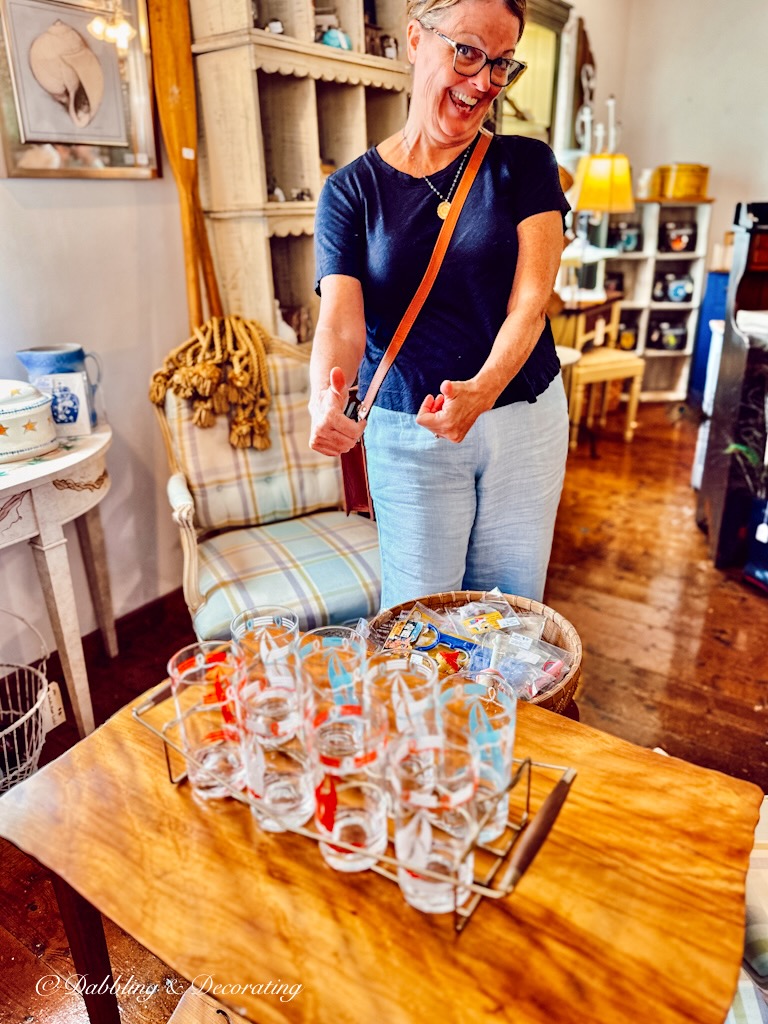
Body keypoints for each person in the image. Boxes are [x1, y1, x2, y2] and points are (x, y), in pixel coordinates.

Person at [309, 0, 570, 610]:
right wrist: (327, 393)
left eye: (502, 63)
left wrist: (481, 390)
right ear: (414, 40)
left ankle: (504, 712)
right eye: (468, 52)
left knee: (508, 615)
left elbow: (530, 304)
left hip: (523, 418)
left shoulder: (524, 164)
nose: (484, 82)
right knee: (421, 622)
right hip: (406, 431)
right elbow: (340, 322)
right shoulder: (351, 191)